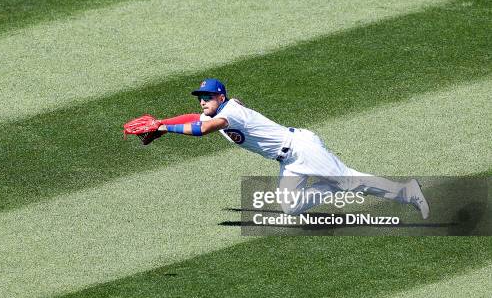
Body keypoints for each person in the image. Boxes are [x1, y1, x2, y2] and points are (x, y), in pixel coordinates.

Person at [157, 78, 430, 219]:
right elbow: (193, 119)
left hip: (301, 148)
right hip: (288, 161)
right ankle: (333, 186)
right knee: (291, 206)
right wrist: (160, 123)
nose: (202, 102)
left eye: (207, 97)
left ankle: (407, 192)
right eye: (200, 98)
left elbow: (201, 129)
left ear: (220, 96)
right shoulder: (219, 110)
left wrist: (164, 129)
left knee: (351, 181)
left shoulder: (231, 112)